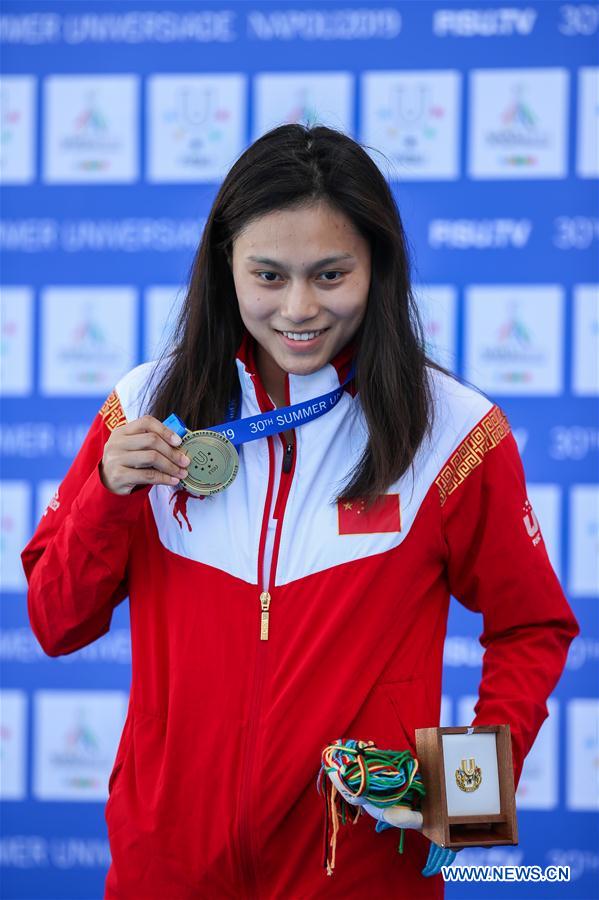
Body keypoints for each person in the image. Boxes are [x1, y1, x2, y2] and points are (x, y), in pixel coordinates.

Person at [22, 123, 579, 900]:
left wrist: (467, 799)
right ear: (226, 267)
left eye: (329, 275)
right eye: (268, 275)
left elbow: (530, 626)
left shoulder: (453, 433)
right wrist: (106, 498)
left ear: (376, 266)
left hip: (358, 874)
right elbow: (56, 624)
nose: (298, 308)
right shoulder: (144, 408)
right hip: (166, 870)